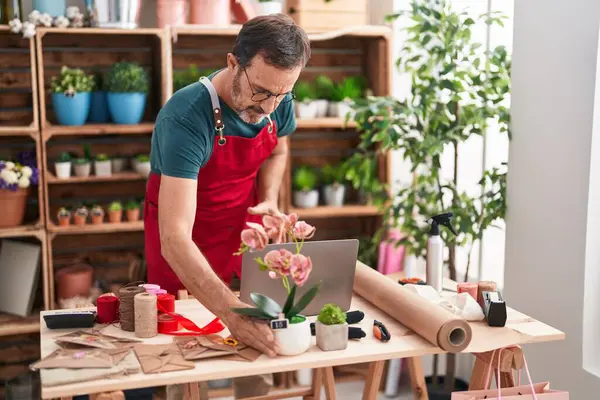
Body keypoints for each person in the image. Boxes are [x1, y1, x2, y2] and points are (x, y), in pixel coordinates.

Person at [143, 13, 311, 398]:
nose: (270, 107)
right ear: (233, 63)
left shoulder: (277, 94)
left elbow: (277, 151)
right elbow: (175, 239)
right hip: (182, 237)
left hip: (240, 229)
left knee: (259, 346)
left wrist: (268, 197)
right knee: (182, 358)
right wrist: (230, 314)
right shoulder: (185, 117)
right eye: (261, 93)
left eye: (282, 95)